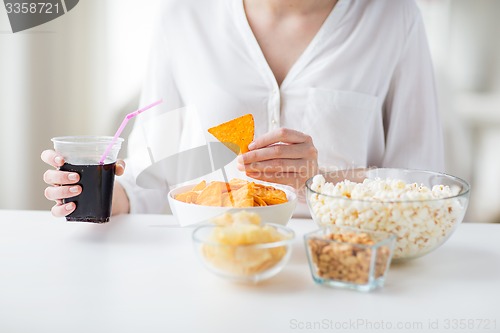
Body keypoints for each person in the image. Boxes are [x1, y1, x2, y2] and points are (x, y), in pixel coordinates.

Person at [41, 0, 444, 217]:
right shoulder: (183, 15)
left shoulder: (395, 17)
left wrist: (319, 182)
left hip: (339, 266)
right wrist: (94, 192)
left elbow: (423, 188)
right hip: (208, 266)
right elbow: (153, 178)